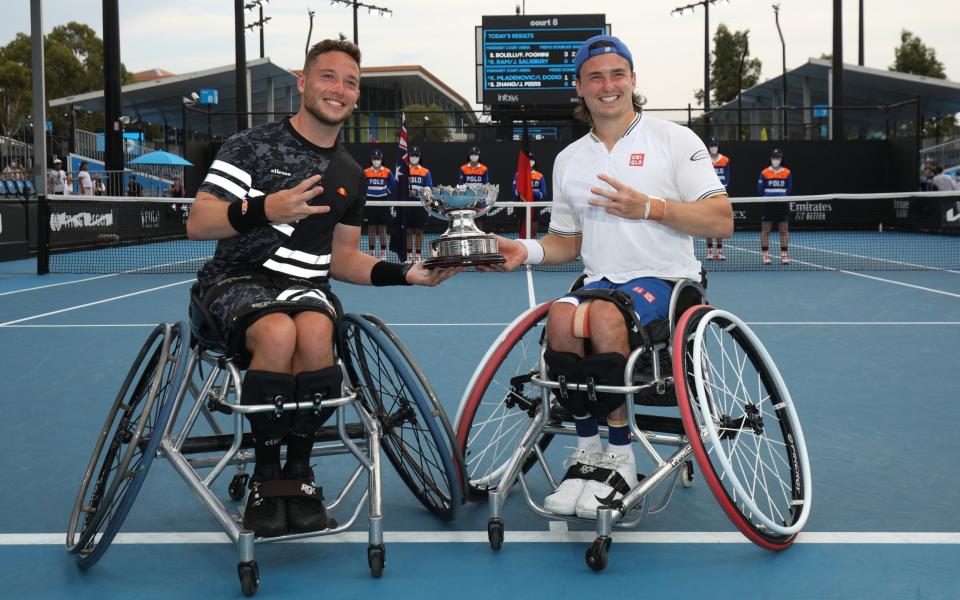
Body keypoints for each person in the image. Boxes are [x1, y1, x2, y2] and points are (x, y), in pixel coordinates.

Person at [185, 39, 460, 538]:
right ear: (304, 82)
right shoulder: (250, 145)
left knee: (314, 334)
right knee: (275, 336)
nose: (339, 89)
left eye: (350, 82)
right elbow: (199, 222)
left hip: (305, 285)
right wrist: (266, 208)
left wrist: (405, 273)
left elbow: (343, 258)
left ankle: (299, 475)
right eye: (328, 77)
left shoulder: (350, 173)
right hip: (235, 280)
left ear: (356, 97)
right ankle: (267, 479)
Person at [484, 34, 732, 518]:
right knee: (560, 317)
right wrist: (525, 249)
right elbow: (567, 241)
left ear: (633, 80)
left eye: (617, 74)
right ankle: (588, 455)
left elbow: (720, 218)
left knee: (599, 316)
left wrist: (649, 208)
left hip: (666, 283)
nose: (608, 85)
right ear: (579, 88)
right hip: (600, 283)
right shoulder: (570, 159)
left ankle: (620, 455)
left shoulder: (674, 140)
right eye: (595, 77)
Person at [757, 148, 792, 265]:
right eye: (774, 157)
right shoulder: (765, 172)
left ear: (781, 159)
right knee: (765, 230)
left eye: (778, 157)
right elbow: (760, 190)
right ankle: (766, 255)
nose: (776, 159)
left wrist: (781, 197)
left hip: (782, 204)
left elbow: (789, 189)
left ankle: (784, 255)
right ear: (771, 158)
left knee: (784, 231)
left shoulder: (787, 172)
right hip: (768, 204)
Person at [362, 148, 396, 259]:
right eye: (374, 158)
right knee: (371, 229)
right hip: (369, 202)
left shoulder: (387, 172)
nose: (376, 160)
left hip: (383, 202)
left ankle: (383, 253)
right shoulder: (366, 172)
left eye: (378, 158)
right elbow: (361, 185)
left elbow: (393, 185)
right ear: (371, 159)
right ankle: (371, 253)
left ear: (382, 159)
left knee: (382, 229)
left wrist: (387, 192)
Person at [404, 146, 432, 262]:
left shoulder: (425, 172)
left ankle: (418, 255)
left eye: (416, 155)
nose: (414, 157)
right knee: (409, 231)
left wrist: (417, 193)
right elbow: (398, 187)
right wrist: (406, 185)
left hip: (420, 205)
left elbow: (429, 189)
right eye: (412, 155)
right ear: (408, 157)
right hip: (406, 205)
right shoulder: (403, 171)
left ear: (420, 157)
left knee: (419, 231)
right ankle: (410, 255)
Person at [512, 152, 548, 238]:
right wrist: (523, 192)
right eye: (528, 160)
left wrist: (532, 193)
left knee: (533, 233)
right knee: (521, 234)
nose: (530, 161)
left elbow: (544, 194)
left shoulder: (540, 176)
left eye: (531, 160)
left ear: (534, 162)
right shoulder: (518, 175)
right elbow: (514, 191)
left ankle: (533, 250)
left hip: (534, 206)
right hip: (521, 206)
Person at [705, 137, 729, 260]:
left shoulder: (725, 160)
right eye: (711, 145)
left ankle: (719, 251)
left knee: (720, 223)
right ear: (708, 147)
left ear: (718, 146)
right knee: (708, 223)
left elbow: (727, 177)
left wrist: (724, 190)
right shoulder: (704, 160)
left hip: (721, 195)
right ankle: (709, 251)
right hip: (708, 194)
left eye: (715, 145)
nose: (713, 147)